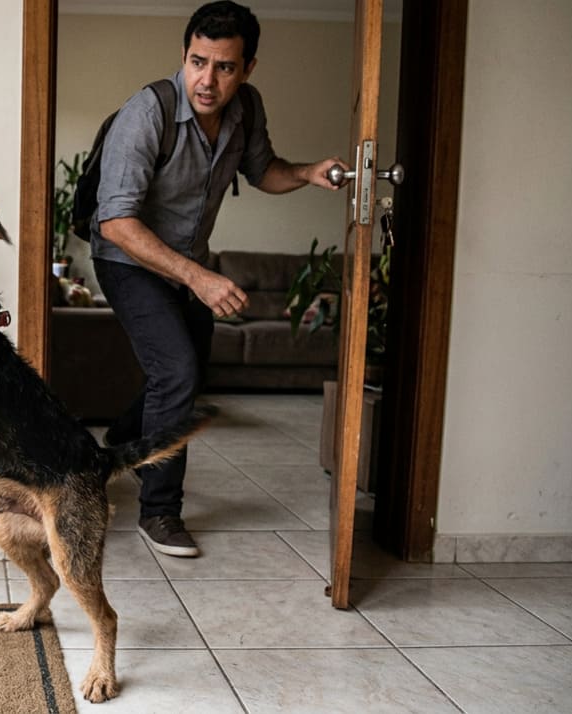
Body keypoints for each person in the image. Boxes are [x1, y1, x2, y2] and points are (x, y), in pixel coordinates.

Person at [92, 0, 344, 557]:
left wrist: (306, 173)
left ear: (247, 68)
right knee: (178, 369)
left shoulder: (245, 109)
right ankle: (159, 513)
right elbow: (115, 222)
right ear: (184, 55)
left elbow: (263, 172)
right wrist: (200, 279)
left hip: (187, 261)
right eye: (198, 61)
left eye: (224, 67)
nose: (207, 80)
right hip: (126, 258)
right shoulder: (148, 112)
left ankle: (123, 441)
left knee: (186, 369)